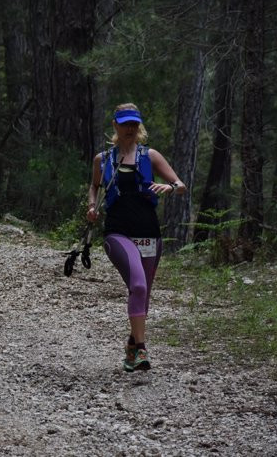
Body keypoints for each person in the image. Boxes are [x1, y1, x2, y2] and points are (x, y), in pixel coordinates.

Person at [87, 103, 185, 372]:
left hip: (149, 233)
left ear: (139, 126)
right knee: (138, 286)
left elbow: (180, 185)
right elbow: (94, 186)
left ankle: (132, 346)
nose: (130, 128)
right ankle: (142, 350)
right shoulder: (103, 159)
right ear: (115, 126)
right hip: (117, 232)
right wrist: (92, 207)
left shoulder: (150, 156)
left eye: (134, 124)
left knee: (143, 295)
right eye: (125, 123)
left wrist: (170, 186)